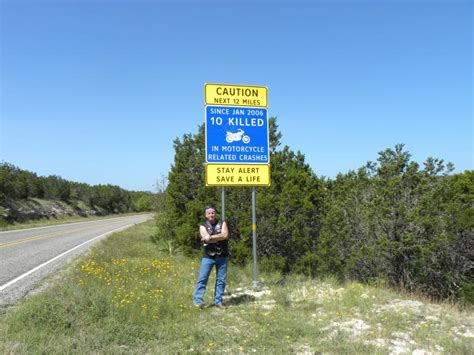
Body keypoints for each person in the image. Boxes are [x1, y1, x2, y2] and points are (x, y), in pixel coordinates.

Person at [192, 205, 229, 309]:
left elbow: (224, 235)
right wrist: (216, 237)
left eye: (212, 212)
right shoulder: (202, 225)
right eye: (208, 213)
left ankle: (218, 301)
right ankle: (198, 301)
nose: (211, 214)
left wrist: (211, 237)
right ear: (205, 215)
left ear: (215, 213)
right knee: (202, 278)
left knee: (221, 279)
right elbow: (205, 238)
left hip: (222, 256)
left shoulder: (222, 222)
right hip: (208, 256)